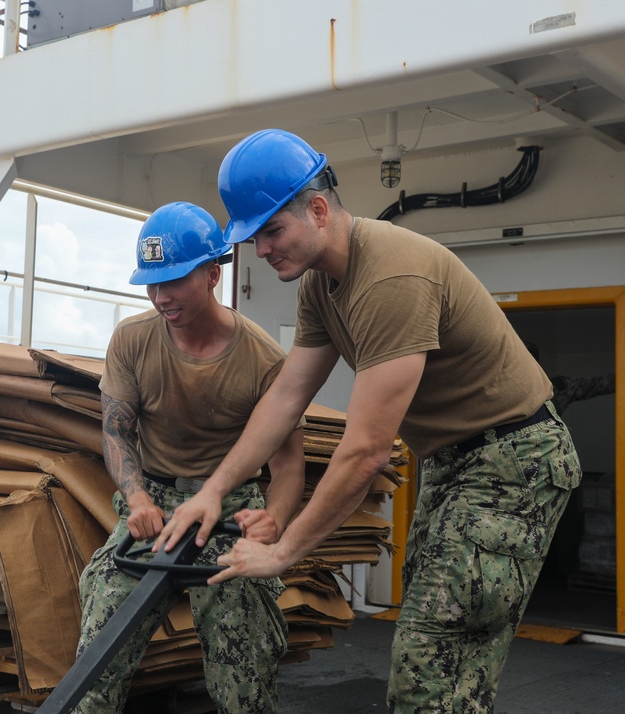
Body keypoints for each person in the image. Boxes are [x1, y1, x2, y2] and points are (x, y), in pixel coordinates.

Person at [155, 130, 583, 713]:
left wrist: (284, 554)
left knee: (433, 662)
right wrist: (213, 491)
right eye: (253, 238)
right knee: (447, 657)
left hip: (513, 460)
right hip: (455, 459)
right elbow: (285, 399)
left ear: (320, 210)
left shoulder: (390, 278)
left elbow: (365, 452)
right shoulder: (321, 287)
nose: (262, 250)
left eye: (272, 231)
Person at [73, 201, 306, 713]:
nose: (161, 297)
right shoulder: (132, 341)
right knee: (97, 657)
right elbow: (116, 432)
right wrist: (134, 497)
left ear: (212, 274)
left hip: (227, 508)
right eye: (152, 284)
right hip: (152, 502)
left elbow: (289, 466)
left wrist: (274, 520)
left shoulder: (263, 359)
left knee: (243, 678)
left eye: (174, 281)